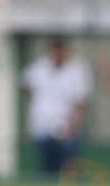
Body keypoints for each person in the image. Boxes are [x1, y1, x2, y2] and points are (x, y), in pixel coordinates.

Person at [22, 37, 90, 177]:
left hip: (65, 125)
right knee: (45, 163)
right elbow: (25, 85)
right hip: (42, 123)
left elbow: (81, 101)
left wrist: (73, 125)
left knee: (67, 166)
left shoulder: (76, 70)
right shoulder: (39, 67)